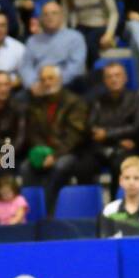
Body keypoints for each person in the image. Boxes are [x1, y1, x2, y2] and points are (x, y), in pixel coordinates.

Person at [23, 63, 94, 213]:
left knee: (59, 167)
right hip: (42, 152)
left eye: (51, 78)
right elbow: (32, 132)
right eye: (43, 79)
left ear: (60, 79)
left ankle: (50, 213)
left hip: (69, 152)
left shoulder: (74, 101)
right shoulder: (36, 103)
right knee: (25, 168)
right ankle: (31, 211)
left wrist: (54, 155)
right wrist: (42, 153)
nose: (47, 82)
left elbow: (75, 135)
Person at [88, 60, 139, 198]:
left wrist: (107, 134)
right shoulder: (97, 101)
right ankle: (89, 206)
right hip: (103, 148)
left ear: (125, 78)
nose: (114, 79)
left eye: (117, 75)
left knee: (119, 165)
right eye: (109, 76)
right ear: (104, 81)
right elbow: (91, 126)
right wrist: (117, 140)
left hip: (129, 149)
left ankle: (115, 204)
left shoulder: (136, 99)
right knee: (82, 165)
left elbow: (137, 127)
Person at [21, 1, 89, 95]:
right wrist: (32, 84)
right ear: (41, 18)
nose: (50, 17)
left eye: (54, 13)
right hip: (38, 86)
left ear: (61, 17)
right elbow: (26, 67)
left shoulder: (75, 38)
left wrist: (54, 82)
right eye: (46, 14)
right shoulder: (32, 41)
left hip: (66, 86)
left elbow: (76, 67)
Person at [62, 0, 120, 71]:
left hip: (101, 25)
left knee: (89, 42)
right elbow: (64, 14)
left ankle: (98, 74)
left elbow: (113, 13)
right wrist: (63, 34)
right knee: (74, 41)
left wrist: (109, 34)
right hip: (81, 26)